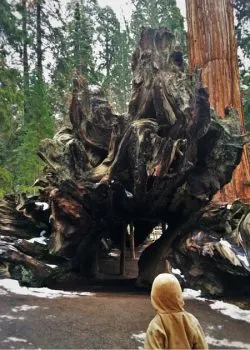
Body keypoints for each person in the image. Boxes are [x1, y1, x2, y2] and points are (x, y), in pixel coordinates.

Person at [144, 273, 208, 349]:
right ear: (179, 294)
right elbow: (202, 347)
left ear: (155, 296)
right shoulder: (191, 321)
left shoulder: (156, 325)